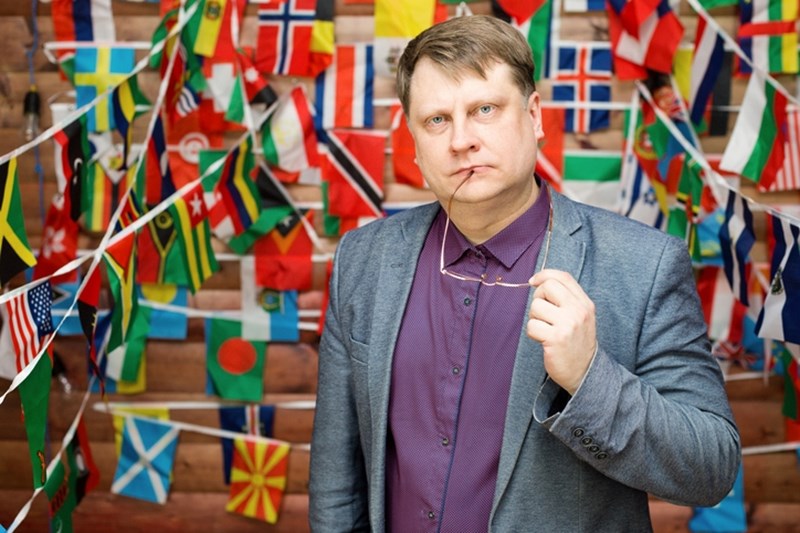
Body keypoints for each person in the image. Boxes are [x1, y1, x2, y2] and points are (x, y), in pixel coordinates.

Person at [309, 15, 741, 532]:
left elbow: (712, 468)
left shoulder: (643, 267)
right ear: (415, 141)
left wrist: (588, 381)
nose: (461, 140)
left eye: (484, 110)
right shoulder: (364, 261)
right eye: (437, 120)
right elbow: (336, 479)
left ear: (534, 116)